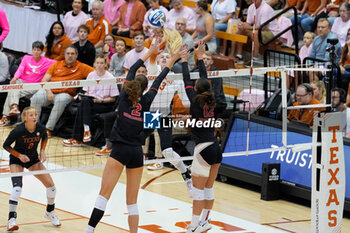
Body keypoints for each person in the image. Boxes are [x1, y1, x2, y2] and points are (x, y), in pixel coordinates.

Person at [83, 40, 185, 233]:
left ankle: (89, 230)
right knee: (132, 202)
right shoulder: (147, 100)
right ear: (145, 89)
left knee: (104, 195)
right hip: (136, 152)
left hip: (119, 149)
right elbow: (160, 79)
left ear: (131, 84)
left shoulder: (123, 96)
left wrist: (150, 53)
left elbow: (134, 68)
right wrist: (172, 59)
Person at [181, 41, 222, 232]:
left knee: (198, 192)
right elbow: (203, 78)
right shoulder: (211, 98)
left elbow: (186, 80)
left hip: (203, 149)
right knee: (208, 188)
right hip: (215, 148)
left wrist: (183, 61)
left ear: (197, 89)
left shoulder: (195, 101)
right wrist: (198, 57)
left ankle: (195, 225)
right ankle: (205, 221)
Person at [144, 51, 193, 197]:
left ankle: (187, 176)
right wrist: (155, 46)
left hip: (165, 114)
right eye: (162, 57)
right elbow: (152, 60)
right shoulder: (153, 72)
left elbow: (186, 101)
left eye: (167, 57)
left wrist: (191, 111)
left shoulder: (176, 78)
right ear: (159, 61)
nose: (164, 58)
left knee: (167, 151)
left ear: (171, 60)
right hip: (152, 113)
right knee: (138, 141)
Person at [3, 107, 61, 231]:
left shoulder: (40, 128)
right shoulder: (18, 131)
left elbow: (45, 137)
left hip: (33, 159)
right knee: (17, 188)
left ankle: (49, 212)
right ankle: (11, 219)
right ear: (25, 117)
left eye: (35, 114)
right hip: (17, 160)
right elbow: (6, 145)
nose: (34, 117)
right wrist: (19, 155)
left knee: (51, 187)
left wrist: (43, 151)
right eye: (31, 115)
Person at [30, 45, 94, 137]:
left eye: (72, 54)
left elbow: (97, 74)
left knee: (61, 100)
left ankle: (48, 129)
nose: (70, 56)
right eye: (68, 53)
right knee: (35, 98)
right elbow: (44, 80)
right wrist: (48, 91)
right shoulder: (56, 64)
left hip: (65, 94)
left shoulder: (82, 67)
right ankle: (34, 127)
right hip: (49, 91)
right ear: (64, 55)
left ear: (76, 55)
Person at [63, 54, 119, 146]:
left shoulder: (110, 77)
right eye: (97, 63)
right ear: (94, 64)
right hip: (90, 102)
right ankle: (85, 132)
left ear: (105, 64)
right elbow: (85, 92)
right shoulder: (91, 75)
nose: (99, 65)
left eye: (102, 63)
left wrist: (99, 101)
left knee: (83, 105)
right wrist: (84, 96)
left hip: (103, 104)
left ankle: (78, 137)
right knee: (84, 102)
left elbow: (113, 99)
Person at [0, 41, 55, 127]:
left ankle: (6, 116)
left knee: (12, 91)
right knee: (14, 86)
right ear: (32, 50)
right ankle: (14, 107)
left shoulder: (47, 62)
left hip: (34, 85)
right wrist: (15, 78)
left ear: (42, 52)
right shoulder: (26, 58)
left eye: (38, 50)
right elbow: (20, 69)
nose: (36, 52)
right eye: (34, 49)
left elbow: (59, 63)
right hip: (22, 82)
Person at [96, 64, 147, 156]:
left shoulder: (146, 87)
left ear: (147, 73)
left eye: (143, 72)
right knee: (110, 117)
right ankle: (109, 146)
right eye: (139, 72)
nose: (141, 74)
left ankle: (153, 156)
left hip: (153, 114)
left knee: (155, 131)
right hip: (131, 115)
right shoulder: (130, 87)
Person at [233, 0, 280, 65]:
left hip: (271, 32)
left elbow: (262, 27)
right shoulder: (251, 7)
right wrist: (243, 25)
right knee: (240, 30)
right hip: (259, 30)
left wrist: (249, 27)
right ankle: (239, 55)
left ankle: (255, 57)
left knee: (255, 33)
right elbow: (248, 23)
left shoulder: (266, 8)